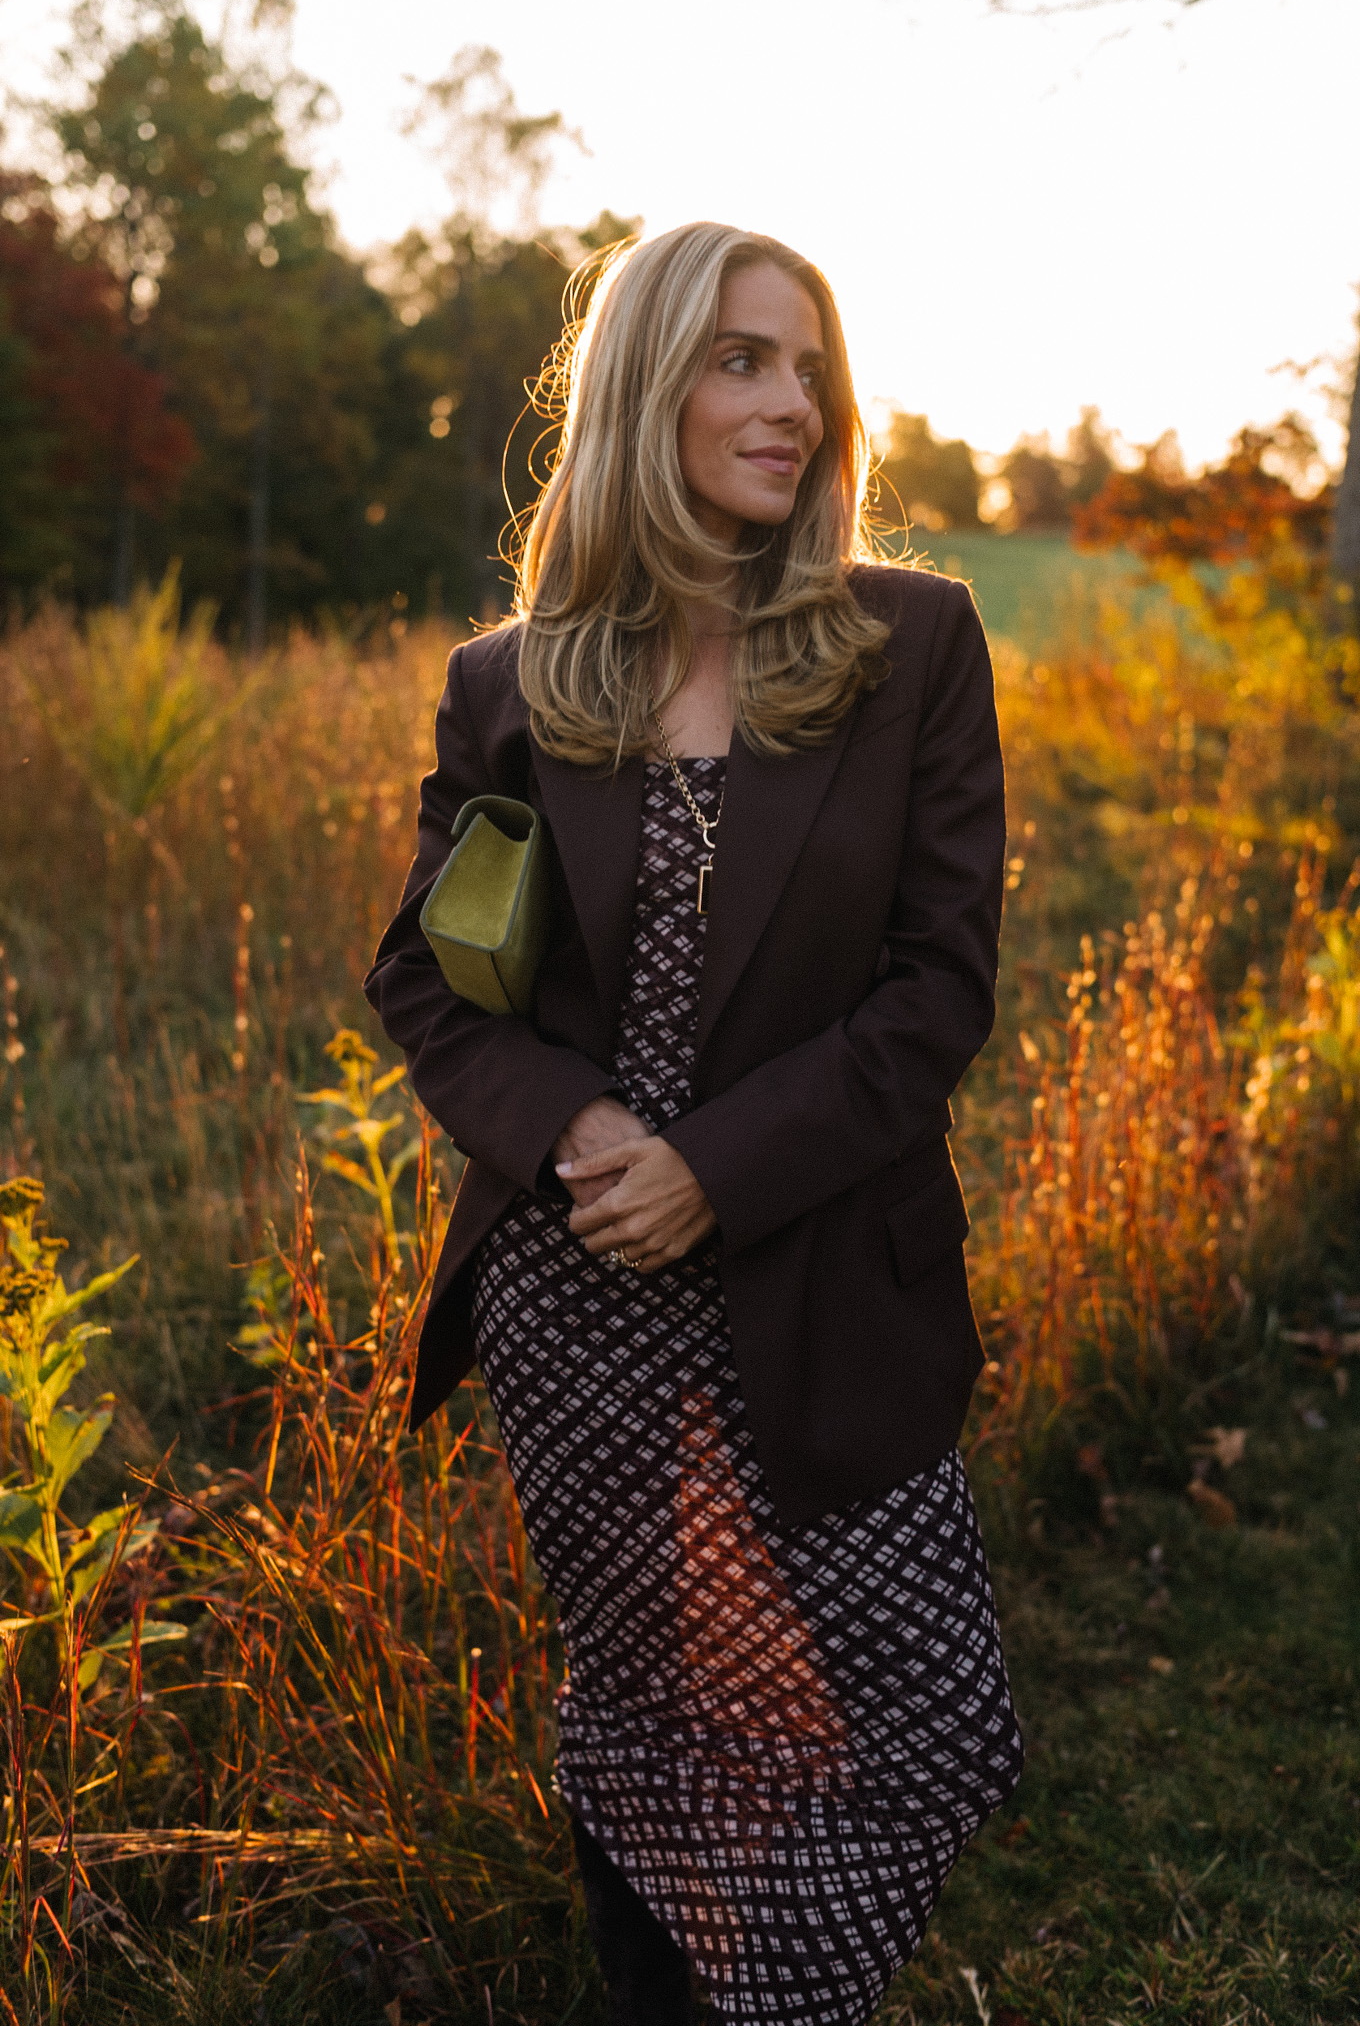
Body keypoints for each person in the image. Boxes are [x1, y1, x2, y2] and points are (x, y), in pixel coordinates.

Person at [365, 220, 1024, 2026]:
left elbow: (936, 988)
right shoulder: (515, 679)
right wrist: (581, 1132)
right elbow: (423, 980)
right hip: (577, 1301)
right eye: (743, 360)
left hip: (815, 1278)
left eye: (806, 366)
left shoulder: (912, 643)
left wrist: (712, 1176)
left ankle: (774, 2001)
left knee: (925, 1722)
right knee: (656, 1714)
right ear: (647, 385)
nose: (790, 403)